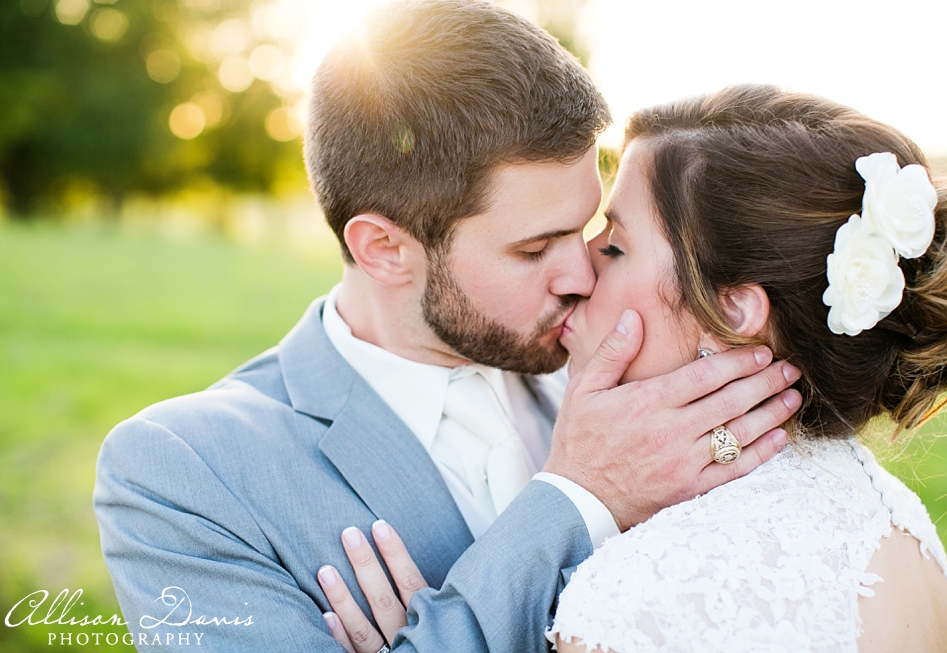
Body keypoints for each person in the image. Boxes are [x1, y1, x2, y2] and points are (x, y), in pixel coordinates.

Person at [92, 4, 801, 652]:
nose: (582, 275)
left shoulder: (645, 380)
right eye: (534, 249)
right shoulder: (184, 474)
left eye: (585, 228)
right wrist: (579, 496)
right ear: (384, 248)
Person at [545, 85, 947, 652]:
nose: (579, 266)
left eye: (616, 246)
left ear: (731, 312)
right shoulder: (907, 531)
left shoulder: (640, 596)